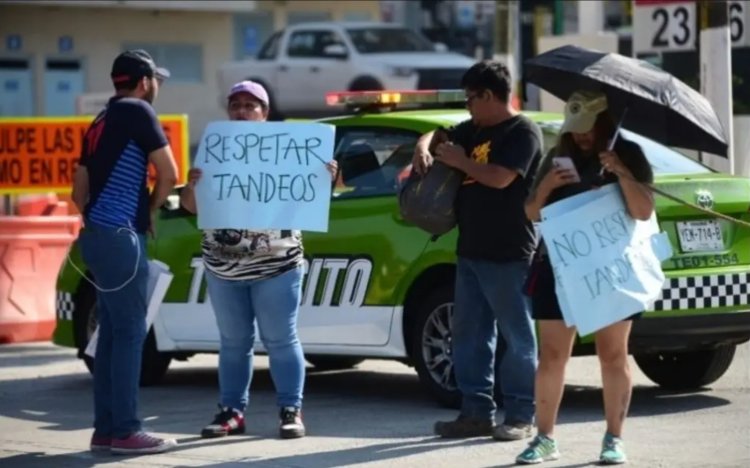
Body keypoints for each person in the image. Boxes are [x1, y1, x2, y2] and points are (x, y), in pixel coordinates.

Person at [179, 80, 337, 440]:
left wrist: (325, 176)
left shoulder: (290, 151)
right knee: (233, 342)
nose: (242, 111)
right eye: (236, 105)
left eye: (251, 105)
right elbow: (191, 207)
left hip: (277, 265)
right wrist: (192, 185)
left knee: (281, 339)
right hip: (222, 265)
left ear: (265, 114)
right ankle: (231, 412)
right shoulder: (213, 150)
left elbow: (314, 197)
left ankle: (290, 410)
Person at [517, 90, 654, 465]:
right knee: (551, 355)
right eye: (575, 129)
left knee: (613, 354)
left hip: (609, 268)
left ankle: (614, 438)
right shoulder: (557, 155)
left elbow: (643, 211)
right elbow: (531, 213)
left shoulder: (628, 154)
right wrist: (549, 186)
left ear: (604, 122)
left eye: (587, 129)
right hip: (558, 266)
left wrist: (622, 173)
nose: (580, 136)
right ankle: (544, 437)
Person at [412, 60, 542, 441]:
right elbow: (438, 134)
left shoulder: (523, 131)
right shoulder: (472, 129)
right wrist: (424, 147)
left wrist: (461, 161)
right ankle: (475, 412)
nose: (467, 106)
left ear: (489, 95)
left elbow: (501, 178)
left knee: (518, 337)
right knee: (469, 335)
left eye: (471, 98)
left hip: (509, 252)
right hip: (470, 249)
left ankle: (520, 414)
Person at [71, 49, 178, 455]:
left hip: (97, 236)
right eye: (157, 80)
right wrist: (148, 210)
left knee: (111, 336)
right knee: (131, 333)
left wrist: (103, 220)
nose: (158, 88)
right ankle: (128, 430)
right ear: (144, 80)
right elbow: (169, 173)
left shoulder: (99, 120)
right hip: (119, 236)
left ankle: (106, 430)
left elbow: (77, 191)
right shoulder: (138, 112)